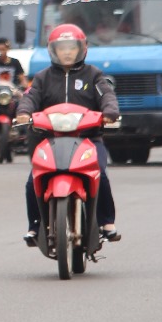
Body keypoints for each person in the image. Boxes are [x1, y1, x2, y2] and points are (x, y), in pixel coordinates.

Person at [15, 24, 121, 246]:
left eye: (71, 47)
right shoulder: (43, 78)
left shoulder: (94, 75)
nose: (67, 52)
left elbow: (107, 96)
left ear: (82, 48)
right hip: (50, 140)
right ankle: (35, 226)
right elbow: (30, 97)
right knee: (33, 179)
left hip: (88, 138)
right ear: (52, 50)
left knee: (99, 173)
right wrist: (24, 112)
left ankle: (106, 222)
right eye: (61, 48)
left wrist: (110, 112)